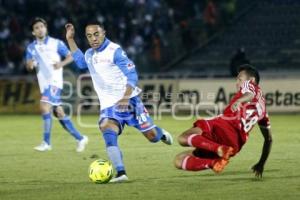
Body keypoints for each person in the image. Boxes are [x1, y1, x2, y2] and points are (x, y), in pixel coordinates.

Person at [65, 22, 173, 183]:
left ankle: (161, 133)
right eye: (89, 36)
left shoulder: (114, 51)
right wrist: (70, 39)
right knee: (107, 130)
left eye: (96, 34)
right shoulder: (89, 54)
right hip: (109, 106)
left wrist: (125, 96)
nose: (93, 38)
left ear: (104, 33)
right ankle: (120, 172)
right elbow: (80, 63)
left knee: (151, 136)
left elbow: (132, 75)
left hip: (130, 101)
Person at [174, 64, 272, 178]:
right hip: (234, 145)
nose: (237, 82)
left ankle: (218, 148)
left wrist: (239, 100)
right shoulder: (264, 111)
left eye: (239, 79)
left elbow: (250, 94)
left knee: (183, 138)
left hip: (224, 126)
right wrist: (261, 163)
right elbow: (268, 139)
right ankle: (213, 163)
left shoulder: (251, 85)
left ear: (251, 80)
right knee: (179, 160)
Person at [25, 17, 88, 152]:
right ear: (33, 32)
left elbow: (70, 56)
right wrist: (30, 65)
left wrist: (61, 64)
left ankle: (46, 143)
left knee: (44, 106)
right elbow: (29, 64)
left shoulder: (56, 43)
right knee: (59, 112)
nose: (40, 29)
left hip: (54, 82)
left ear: (46, 28)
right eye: (36, 28)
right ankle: (80, 138)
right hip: (44, 83)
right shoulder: (31, 47)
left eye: (42, 26)